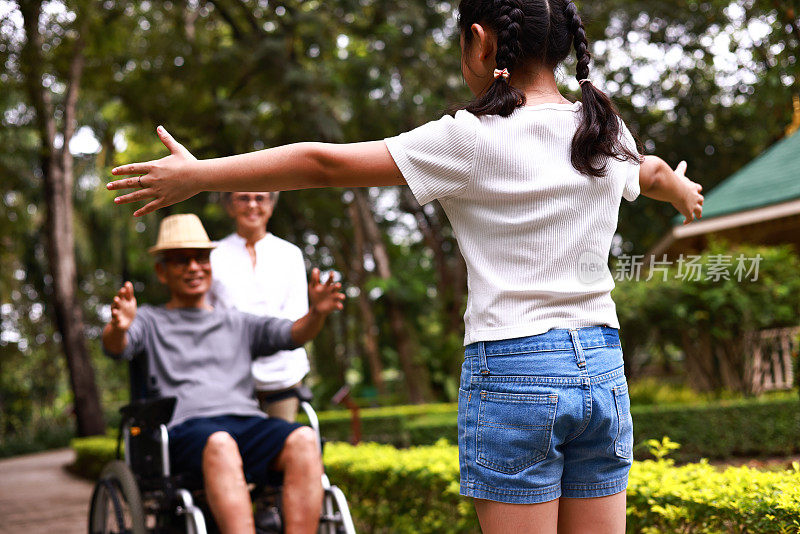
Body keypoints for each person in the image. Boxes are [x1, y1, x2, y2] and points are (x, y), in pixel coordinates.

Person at [107, 1, 705, 532]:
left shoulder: (473, 137)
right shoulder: (600, 129)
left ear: (480, 41)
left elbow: (324, 165)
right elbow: (647, 170)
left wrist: (198, 175)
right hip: (601, 366)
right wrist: (678, 190)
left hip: (517, 366)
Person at [102, 213, 345, 534]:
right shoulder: (149, 320)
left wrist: (316, 313)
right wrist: (118, 327)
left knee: (303, 438)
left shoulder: (238, 322)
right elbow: (117, 347)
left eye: (201, 259)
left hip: (244, 422)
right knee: (220, 442)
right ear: (162, 271)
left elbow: (293, 335)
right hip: (184, 431)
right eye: (181, 261)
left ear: (211, 265)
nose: (193, 267)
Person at [209, 191, 310, 421]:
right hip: (229, 376)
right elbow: (206, 315)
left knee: (281, 444)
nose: (252, 205)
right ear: (230, 206)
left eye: (260, 198)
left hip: (284, 373)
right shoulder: (212, 254)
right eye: (243, 198)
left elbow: (297, 316)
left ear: (271, 206)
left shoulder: (289, 254)